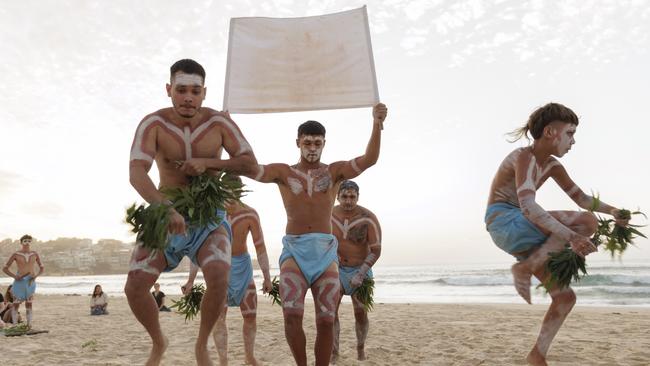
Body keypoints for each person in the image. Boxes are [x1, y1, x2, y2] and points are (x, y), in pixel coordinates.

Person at [124, 58, 257, 366]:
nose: (188, 97)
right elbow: (136, 172)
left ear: (204, 92)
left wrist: (209, 163)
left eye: (195, 91)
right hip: (164, 212)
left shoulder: (218, 124)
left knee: (220, 274)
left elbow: (249, 162)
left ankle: (202, 343)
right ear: (169, 89)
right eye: (181, 89)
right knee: (135, 286)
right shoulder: (153, 124)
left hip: (208, 217)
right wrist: (164, 206)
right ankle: (159, 341)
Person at [485, 102, 631, 366]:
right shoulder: (524, 157)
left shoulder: (552, 165)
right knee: (585, 223)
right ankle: (527, 266)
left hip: (523, 233)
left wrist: (614, 210)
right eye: (570, 133)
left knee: (565, 298)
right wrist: (572, 236)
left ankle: (537, 355)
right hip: (504, 221)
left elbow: (582, 198)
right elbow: (528, 206)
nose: (573, 142)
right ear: (551, 132)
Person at [244, 103, 387, 366]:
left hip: (325, 254)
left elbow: (370, 160)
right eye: (307, 143)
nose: (312, 148)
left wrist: (376, 124)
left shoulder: (334, 172)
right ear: (298, 142)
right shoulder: (283, 172)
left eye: (317, 143)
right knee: (291, 316)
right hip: (295, 252)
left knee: (326, 318)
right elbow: (251, 168)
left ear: (324, 144)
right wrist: (228, 129)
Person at [182, 187, 273, 366]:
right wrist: (191, 280)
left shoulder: (250, 214)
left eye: (234, 193)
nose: (230, 197)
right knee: (219, 318)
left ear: (240, 193)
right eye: (226, 193)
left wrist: (267, 277)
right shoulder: (211, 214)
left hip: (243, 268)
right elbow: (198, 248)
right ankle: (223, 360)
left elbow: (260, 247)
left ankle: (250, 356)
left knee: (250, 315)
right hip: (218, 267)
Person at [330, 180, 381, 363]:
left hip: (361, 269)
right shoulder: (328, 215)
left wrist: (361, 274)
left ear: (358, 197)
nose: (348, 201)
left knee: (360, 312)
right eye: (344, 196)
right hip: (337, 270)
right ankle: (334, 352)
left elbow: (376, 250)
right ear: (337, 196)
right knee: (330, 312)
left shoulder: (368, 218)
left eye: (352, 197)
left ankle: (360, 348)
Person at [2, 234, 44, 327]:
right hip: (19, 281)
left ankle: (29, 325)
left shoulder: (35, 254)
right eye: (25, 241)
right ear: (21, 243)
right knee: (16, 303)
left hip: (30, 281)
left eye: (29, 241)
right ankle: (15, 325)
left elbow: (42, 267)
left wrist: (36, 276)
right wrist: (14, 276)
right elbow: (5, 268)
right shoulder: (16, 254)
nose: (27, 243)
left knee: (29, 303)